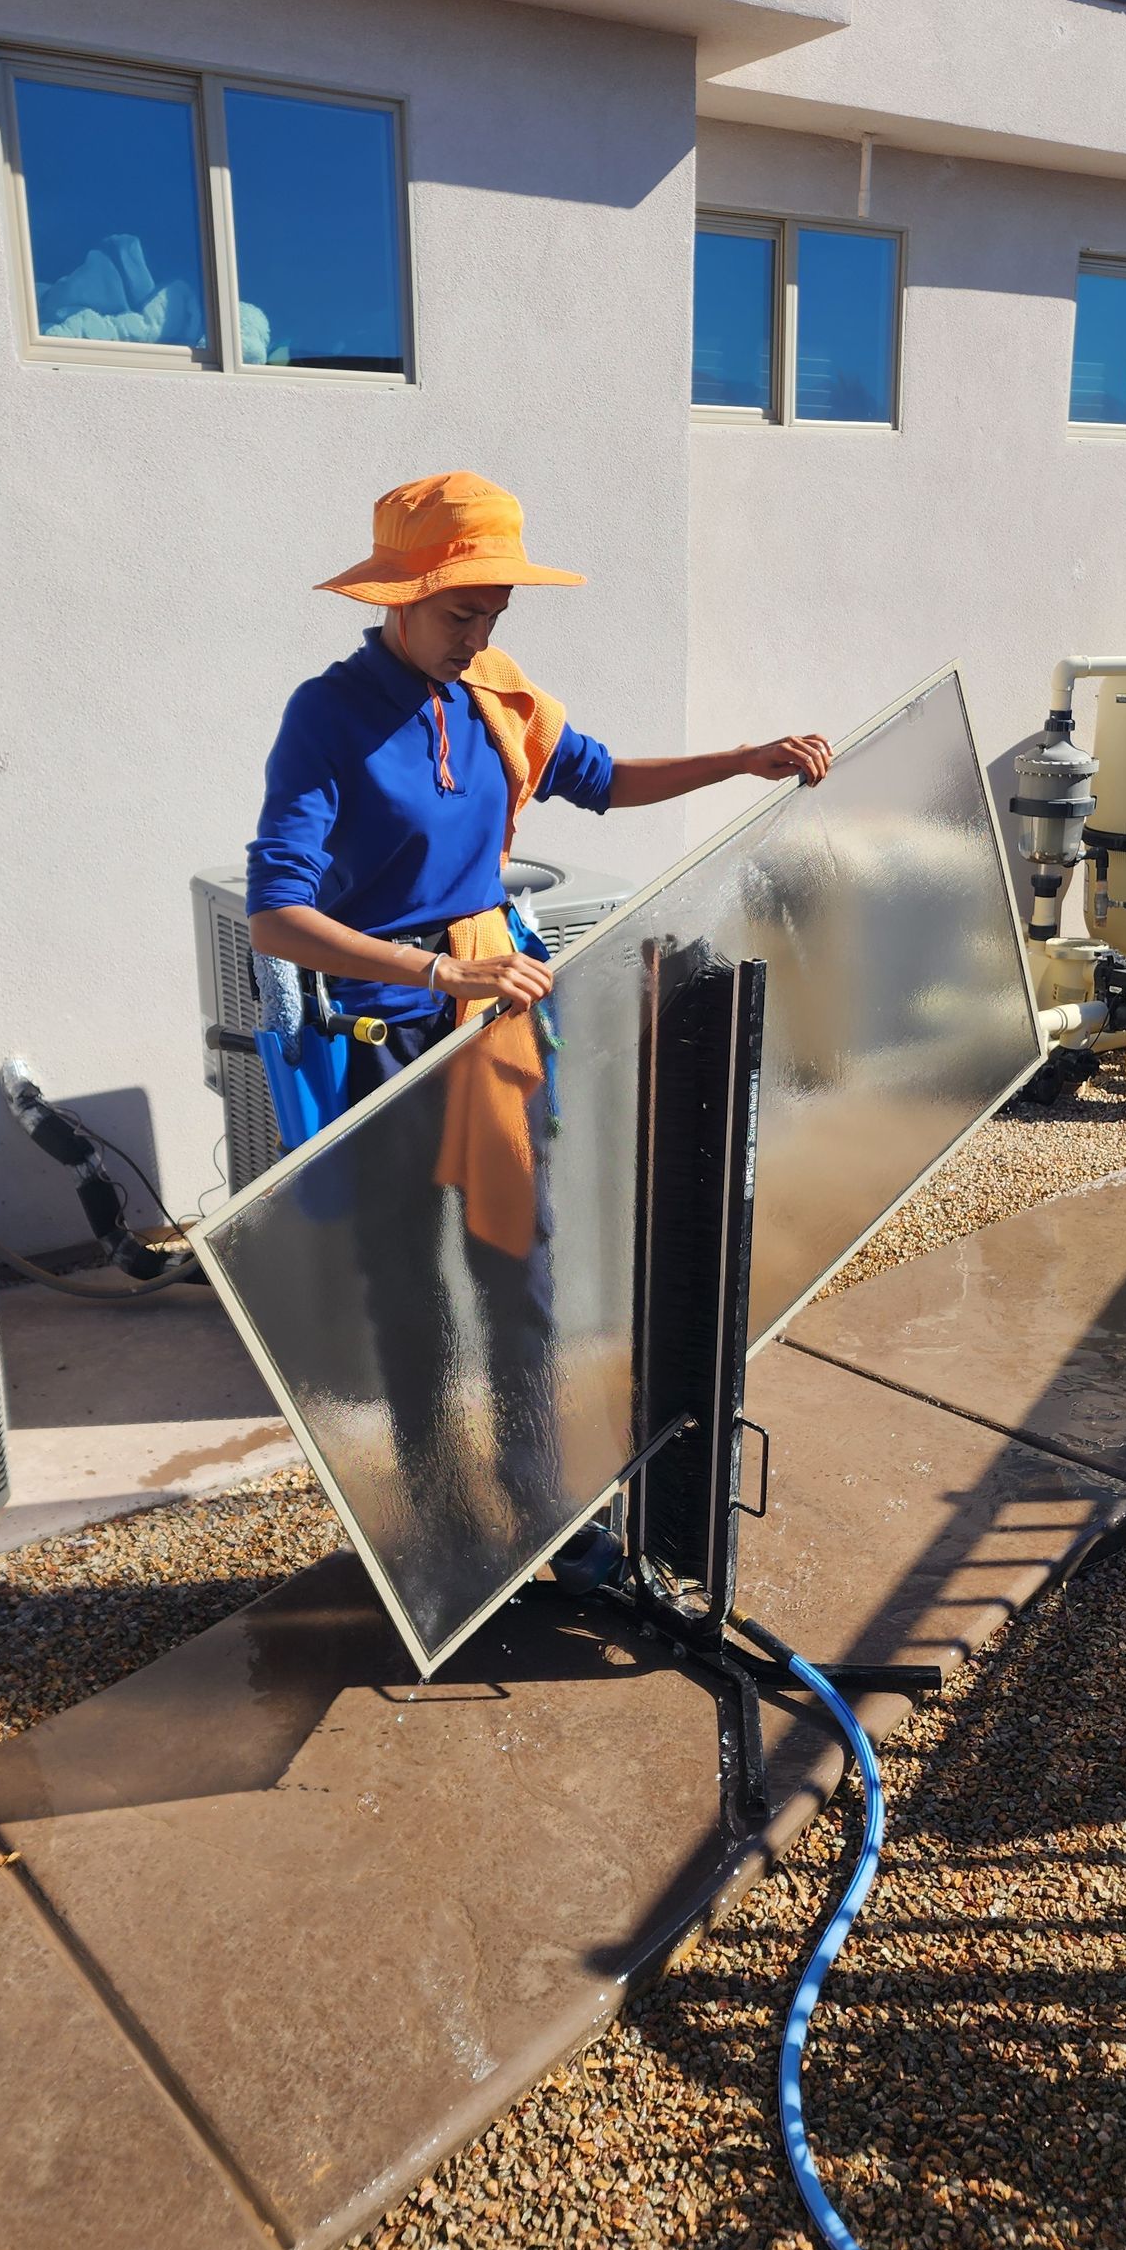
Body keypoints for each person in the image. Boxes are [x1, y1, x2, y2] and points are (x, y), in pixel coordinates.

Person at [246, 469, 830, 1589]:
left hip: (494, 1022)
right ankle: (438, 1512)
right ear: (400, 598)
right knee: (408, 1287)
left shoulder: (497, 695)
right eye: (462, 611)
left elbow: (604, 780)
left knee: (519, 1268)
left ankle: (536, 1500)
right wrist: (426, 968)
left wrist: (742, 759)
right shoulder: (326, 717)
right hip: (391, 1041)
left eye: (495, 613)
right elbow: (280, 917)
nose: (481, 633)